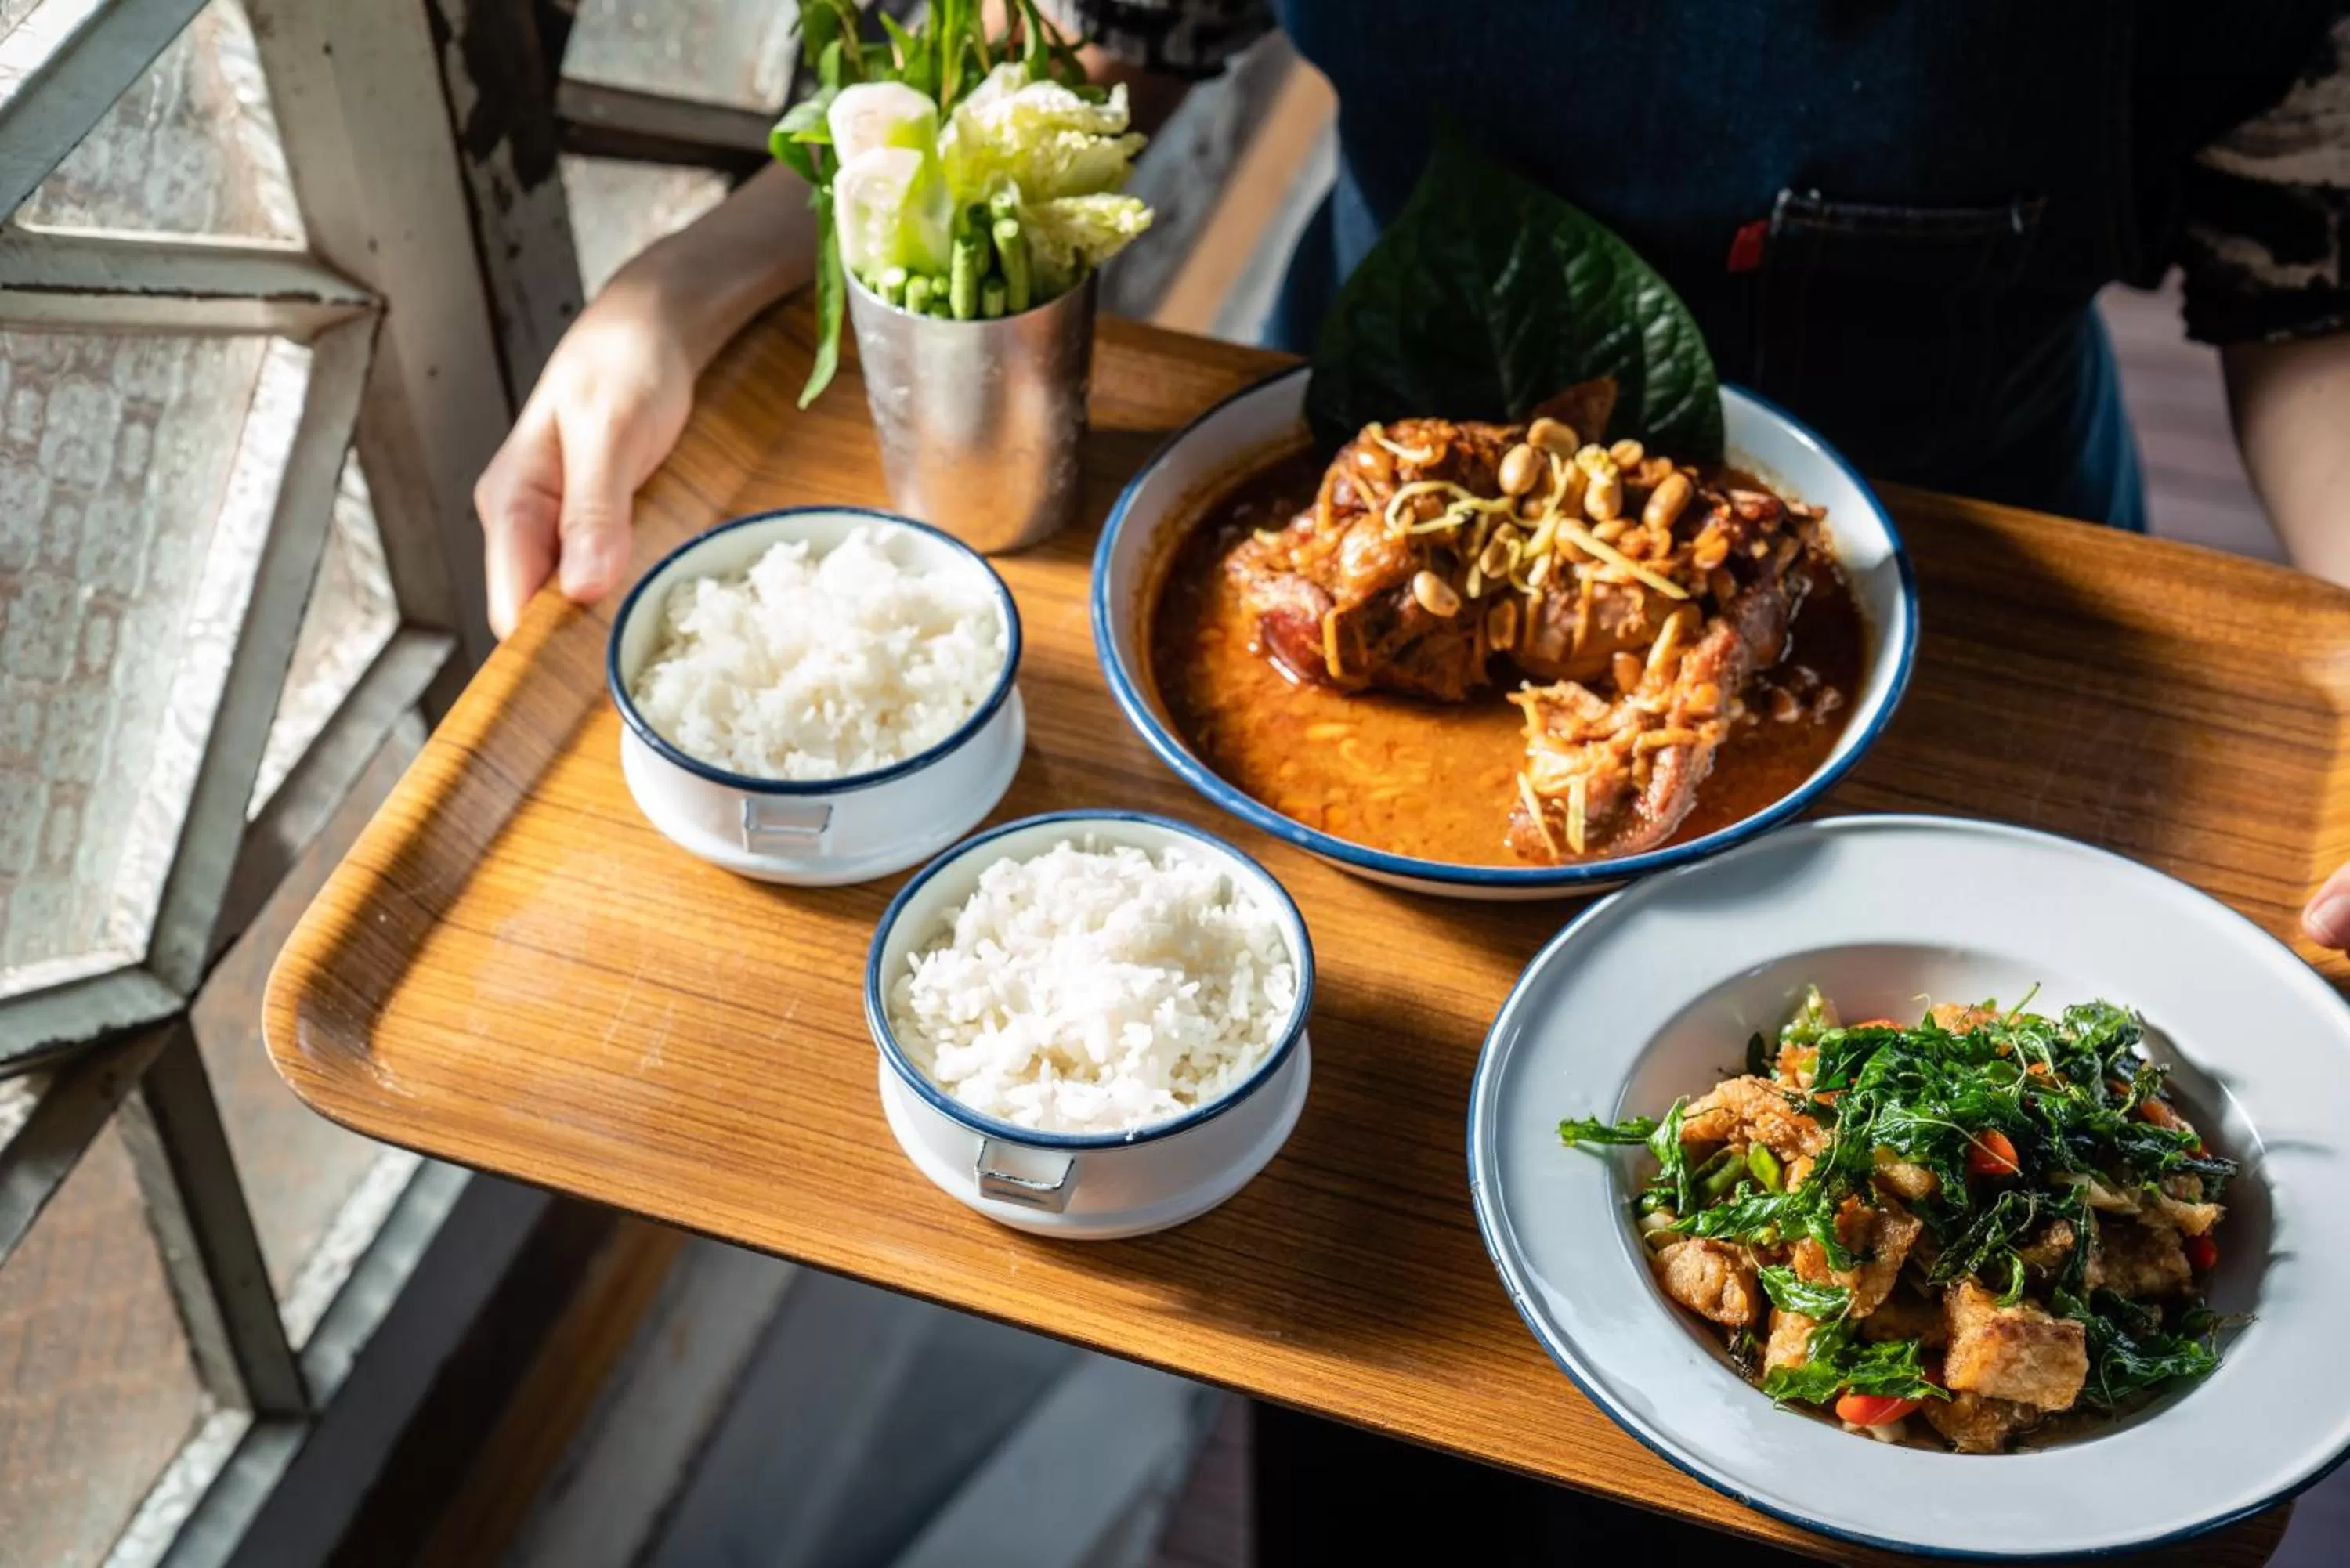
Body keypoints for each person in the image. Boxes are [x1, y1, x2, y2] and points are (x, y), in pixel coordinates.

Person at [475, 1, 2350, 945]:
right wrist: (691, 277)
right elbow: (1049, 68)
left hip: (1982, 642)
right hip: (1349, 521)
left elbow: (2318, 294)